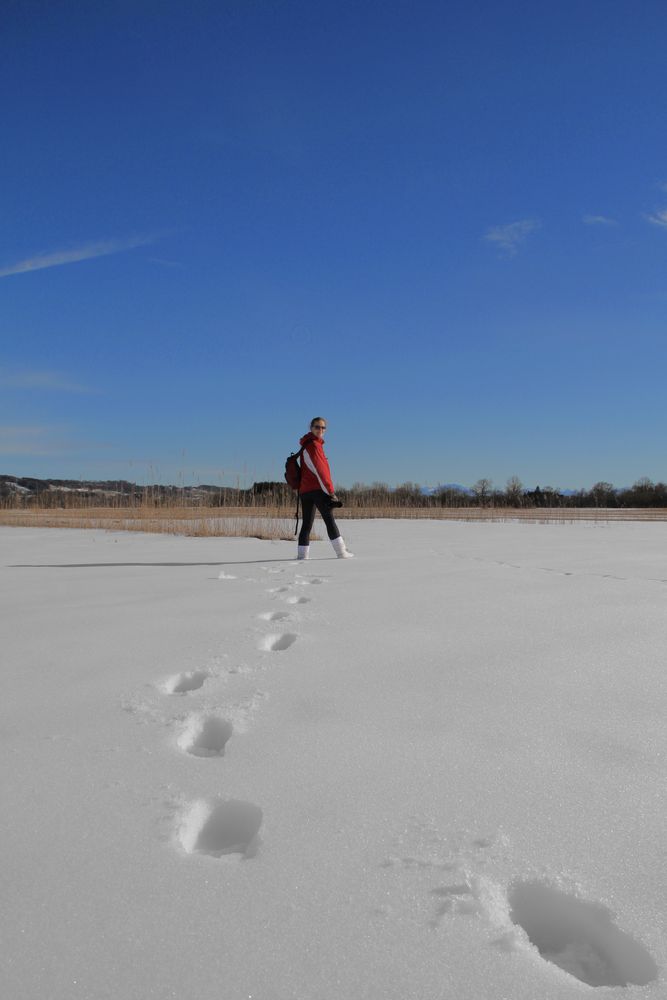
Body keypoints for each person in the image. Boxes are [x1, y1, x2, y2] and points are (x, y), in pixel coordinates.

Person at [297, 417, 354, 560]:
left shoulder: (306, 444)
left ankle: (302, 556)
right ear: (311, 428)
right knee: (329, 520)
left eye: (323, 428)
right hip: (317, 489)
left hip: (305, 491)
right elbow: (321, 471)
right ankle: (341, 553)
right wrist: (330, 491)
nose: (320, 430)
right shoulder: (314, 445)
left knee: (306, 524)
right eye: (317, 427)